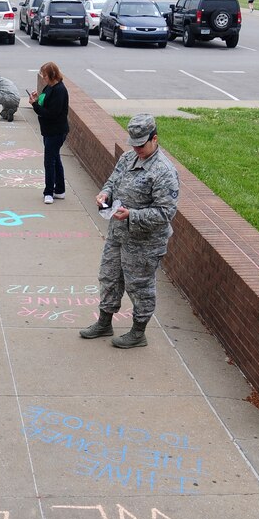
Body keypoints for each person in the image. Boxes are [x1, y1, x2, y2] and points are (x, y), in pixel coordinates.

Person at [79, 113, 179, 349]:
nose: (137, 149)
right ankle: (104, 322)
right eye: (133, 144)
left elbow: (166, 213)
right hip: (118, 234)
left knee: (139, 286)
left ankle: (138, 332)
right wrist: (105, 194)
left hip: (145, 242)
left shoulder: (164, 171)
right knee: (109, 277)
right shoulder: (128, 158)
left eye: (141, 144)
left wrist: (133, 215)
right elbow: (113, 182)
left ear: (154, 139)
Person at [28, 62, 69, 204]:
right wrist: (37, 98)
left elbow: (51, 113)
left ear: (52, 75)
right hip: (49, 130)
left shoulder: (59, 90)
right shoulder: (50, 87)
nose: (43, 78)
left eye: (44, 75)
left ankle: (49, 192)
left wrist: (34, 105)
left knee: (49, 161)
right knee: (55, 158)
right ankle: (60, 190)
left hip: (55, 131)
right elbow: (44, 101)